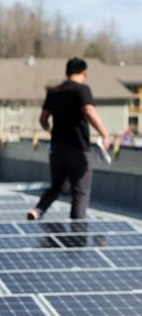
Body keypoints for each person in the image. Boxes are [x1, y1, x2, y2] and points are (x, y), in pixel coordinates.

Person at [27, 57, 111, 221]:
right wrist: (104, 134)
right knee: (81, 190)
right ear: (84, 73)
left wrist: (51, 131)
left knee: (58, 185)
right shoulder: (82, 89)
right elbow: (89, 111)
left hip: (57, 149)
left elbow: (43, 119)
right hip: (78, 149)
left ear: (67, 72)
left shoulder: (54, 91)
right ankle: (77, 228)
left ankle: (38, 210)